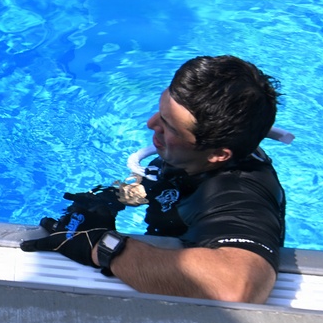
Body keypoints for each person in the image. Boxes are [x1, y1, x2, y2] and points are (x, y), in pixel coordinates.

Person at [22, 55, 286, 304]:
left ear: (218, 154)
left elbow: (236, 288)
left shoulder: (239, 191)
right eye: (161, 112)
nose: (151, 124)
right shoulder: (189, 154)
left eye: (169, 126)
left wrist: (105, 247)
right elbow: (156, 184)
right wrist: (110, 200)